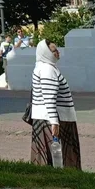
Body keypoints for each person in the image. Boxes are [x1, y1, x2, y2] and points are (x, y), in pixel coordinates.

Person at [29, 39, 81, 169]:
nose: (58, 52)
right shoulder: (47, 69)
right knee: (60, 157)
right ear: (45, 53)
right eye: (54, 50)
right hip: (54, 119)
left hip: (45, 118)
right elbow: (49, 97)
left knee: (45, 158)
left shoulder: (43, 67)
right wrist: (54, 122)